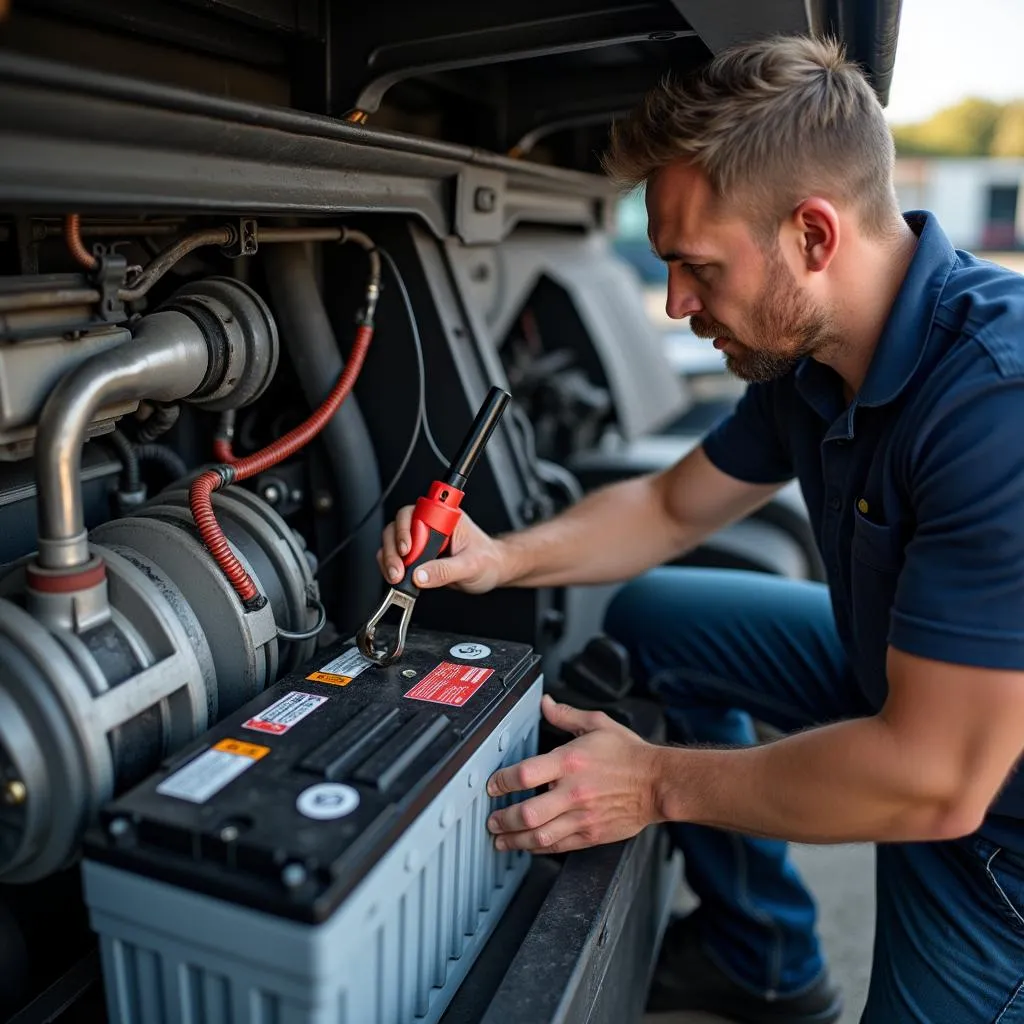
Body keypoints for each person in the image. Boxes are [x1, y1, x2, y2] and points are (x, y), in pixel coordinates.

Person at [377, 34, 1024, 1024]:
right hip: (904, 683)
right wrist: (500, 556)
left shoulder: (994, 404)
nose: (676, 303)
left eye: (697, 266)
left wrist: (654, 784)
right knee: (659, 619)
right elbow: (670, 506)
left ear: (813, 234)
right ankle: (763, 960)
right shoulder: (809, 355)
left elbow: (933, 781)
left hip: (993, 820)